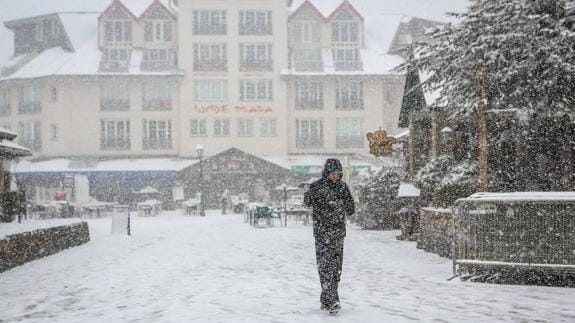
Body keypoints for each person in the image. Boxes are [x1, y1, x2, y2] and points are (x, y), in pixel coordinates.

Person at [304, 158, 355, 315]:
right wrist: (312, 194)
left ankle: (326, 299)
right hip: (322, 233)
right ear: (327, 173)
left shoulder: (342, 187)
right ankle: (333, 300)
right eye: (333, 173)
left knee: (336, 269)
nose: (336, 176)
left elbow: (351, 208)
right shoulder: (317, 186)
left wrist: (342, 203)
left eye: (339, 173)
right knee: (325, 267)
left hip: (338, 233)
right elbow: (307, 202)